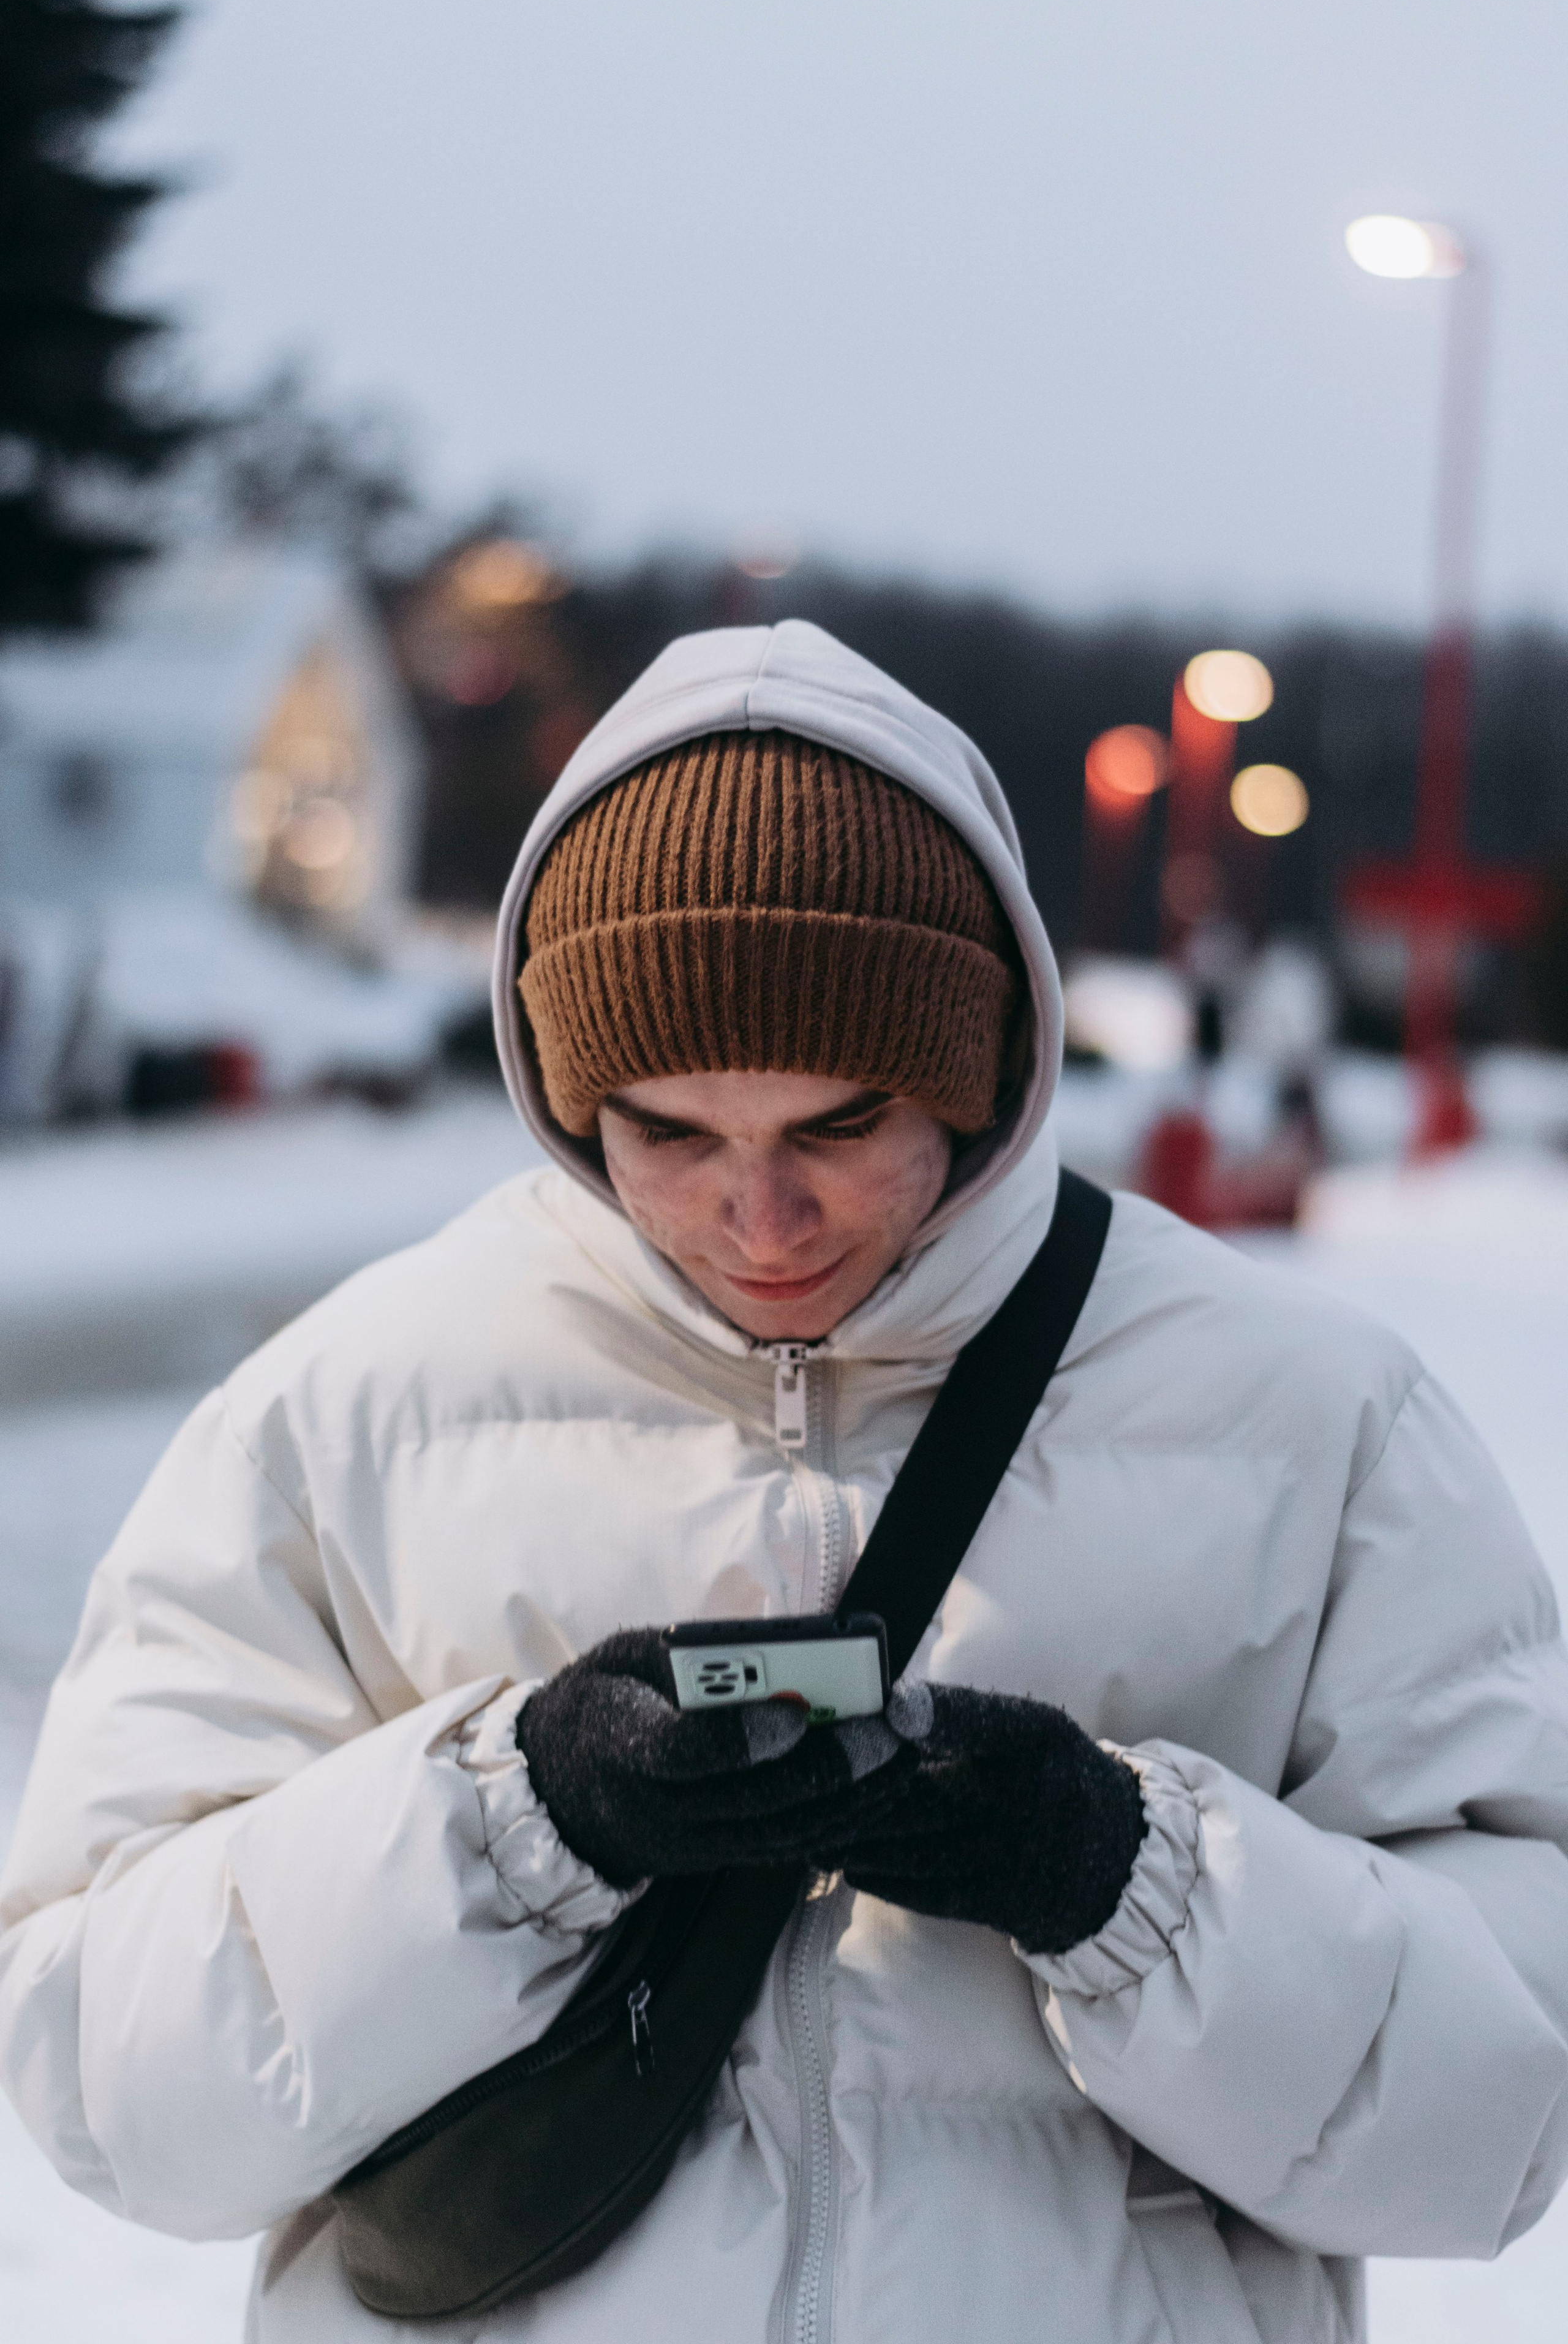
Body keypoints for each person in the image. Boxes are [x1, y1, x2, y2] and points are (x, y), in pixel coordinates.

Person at [3, 620, 1568, 2344]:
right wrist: (513, 1820)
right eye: (670, 1134)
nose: (761, 1220)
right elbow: (104, 2086)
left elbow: (1511, 2118)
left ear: (981, 1074)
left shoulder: (1317, 1423)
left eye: (838, 1126)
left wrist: (1124, 1879)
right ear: (566, 1088)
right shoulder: (339, 1415)